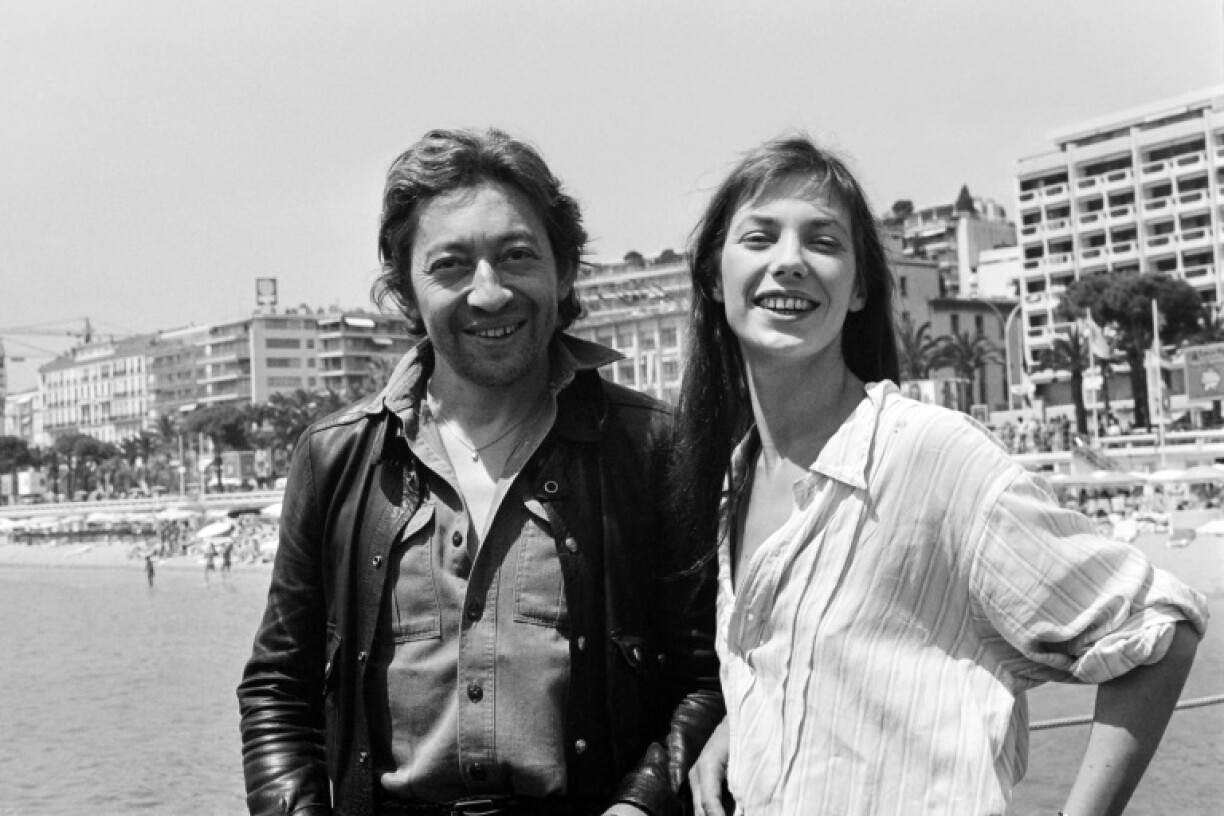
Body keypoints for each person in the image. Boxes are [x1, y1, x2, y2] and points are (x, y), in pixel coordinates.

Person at [672, 134, 1208, 816]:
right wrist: (741, 728)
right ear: (715, 278)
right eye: (759, 236)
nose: (790, 262)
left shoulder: (928, 455)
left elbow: (1160, 630)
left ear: (860, 287)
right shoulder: (734, 481)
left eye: (823, 241)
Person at [238, 128, 722, 816]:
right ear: (405, 286)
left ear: (563, 270)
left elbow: (708, 681)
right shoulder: (338, 455)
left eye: (517, 256)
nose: (489, 293)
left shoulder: (651, 447)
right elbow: (278, 690)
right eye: (451, 266)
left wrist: (639, 807)